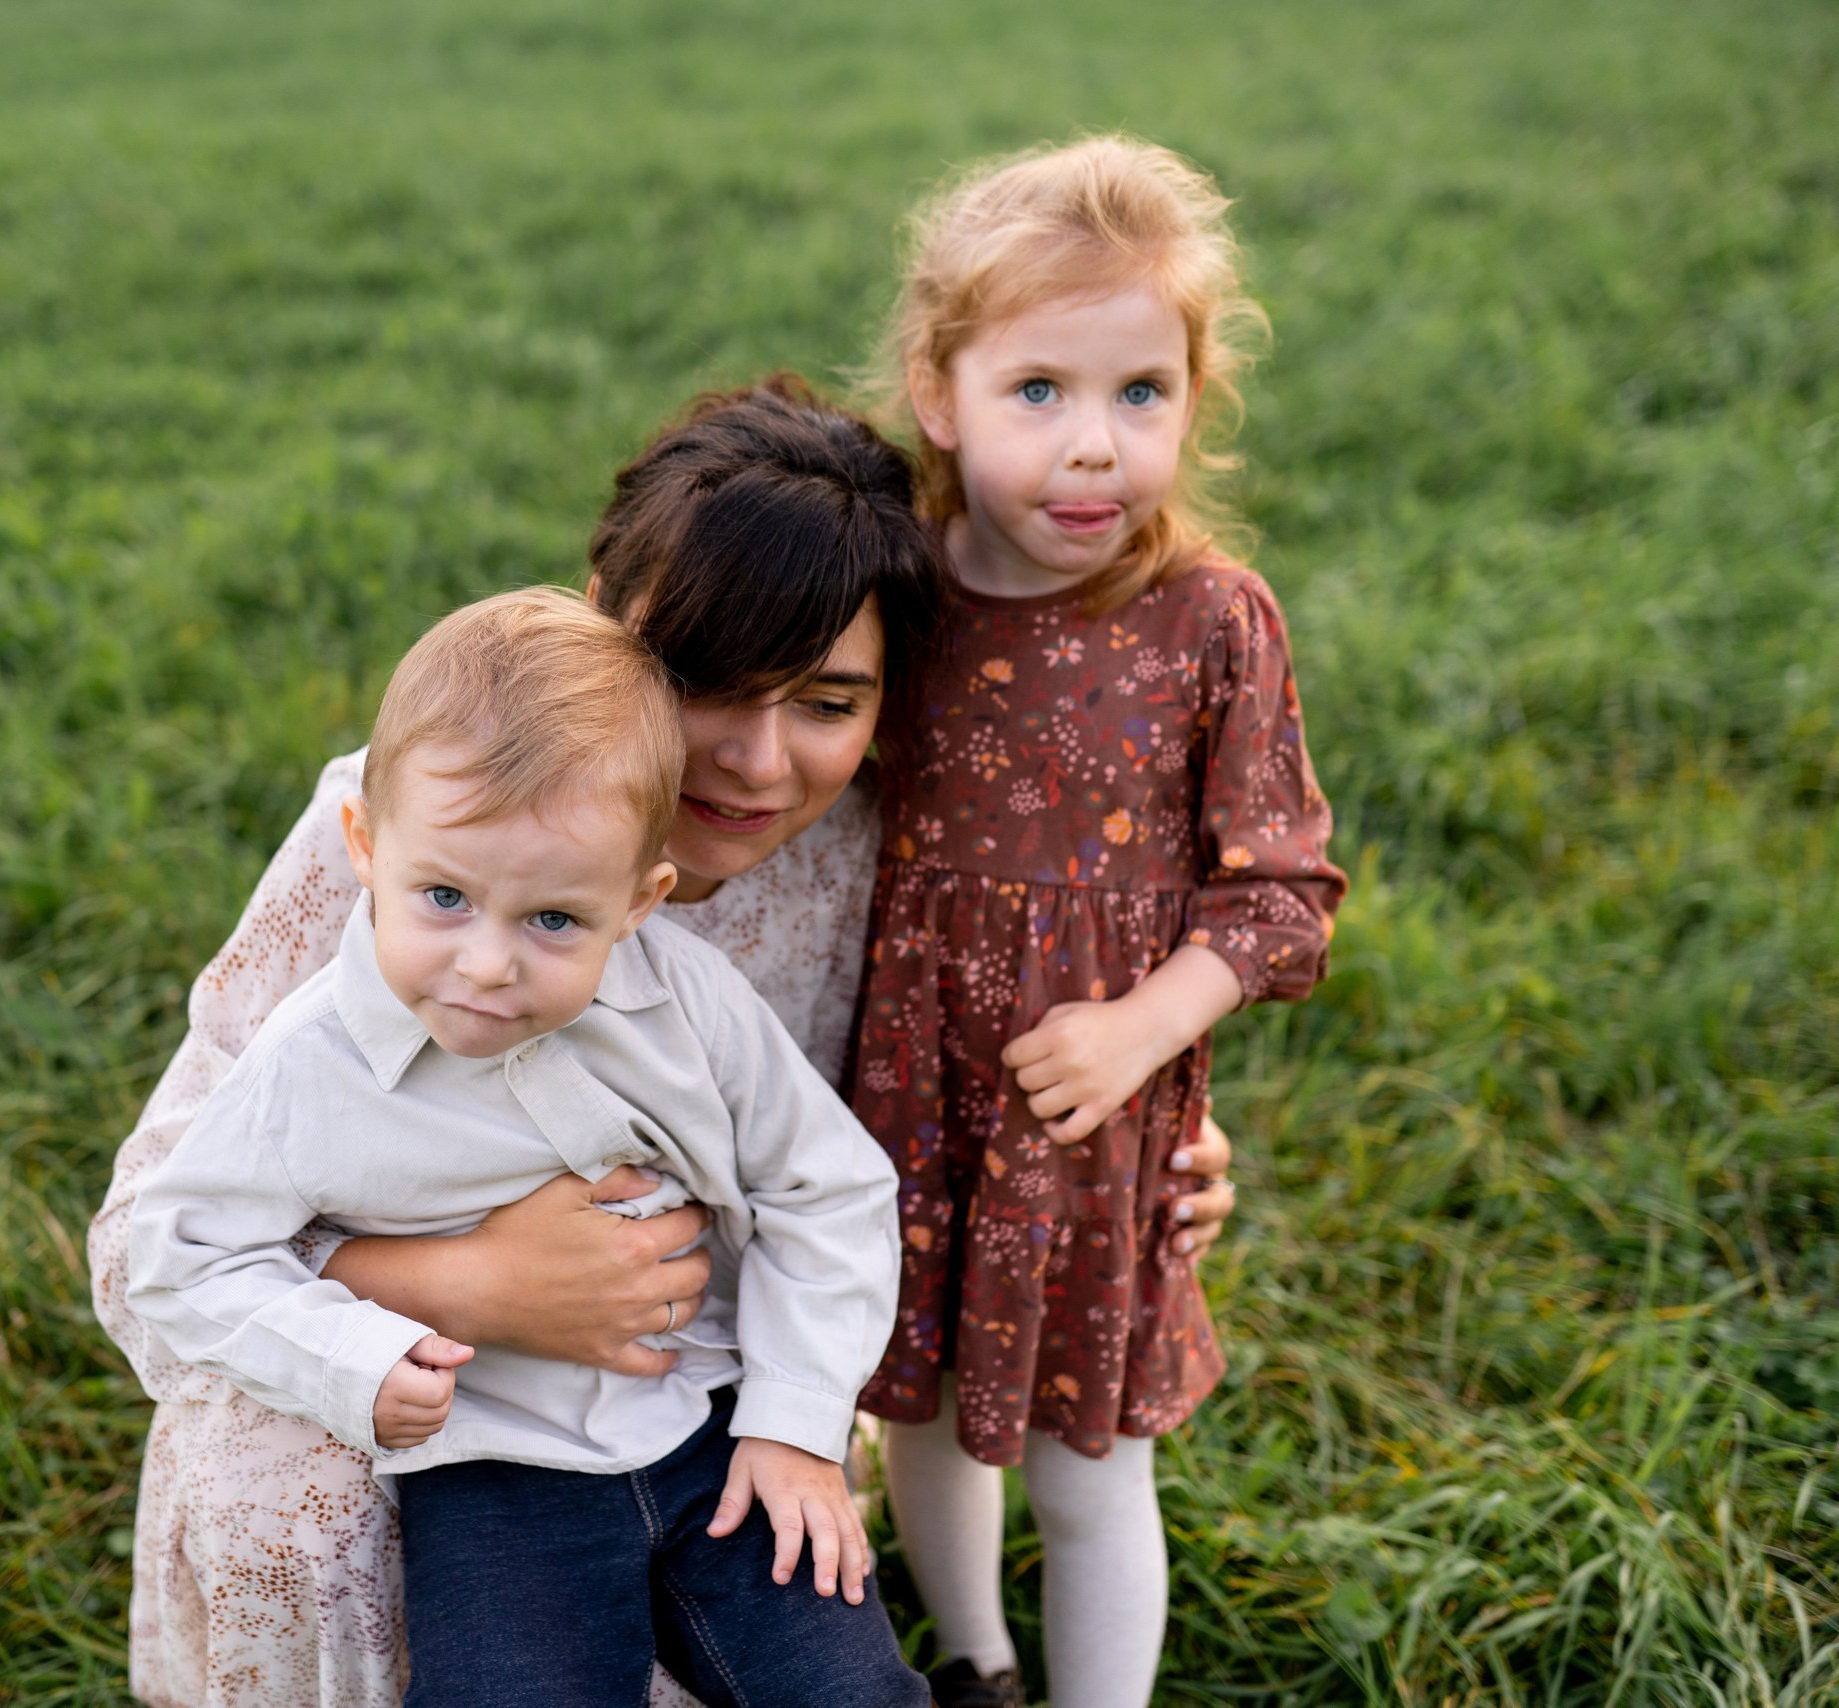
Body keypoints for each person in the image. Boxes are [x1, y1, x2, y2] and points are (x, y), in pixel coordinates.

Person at [87, 378, 1243, 1708]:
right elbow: (146, 1248)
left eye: (826, 701)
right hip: (429, 1397)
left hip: (709, 1403)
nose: (755, 763)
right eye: (703, 681)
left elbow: (954, 1109)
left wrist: (1155, 1128)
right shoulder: (424, 834)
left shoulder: (889, 860)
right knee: (288, 1500)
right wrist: (461, 1283)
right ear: (603, 616)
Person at [118, 589, 928, 1707]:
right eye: (444, 896)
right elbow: (177, 1250)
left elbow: (826, 1185)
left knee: (851, 1691)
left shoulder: (688, 1006)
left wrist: (795, 1425)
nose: (489, 964)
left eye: (552, 919)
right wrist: (353, 1361)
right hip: (491, 1468)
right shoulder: (311, 1064)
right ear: (363, 843)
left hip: (712, 1427)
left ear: (640, 902)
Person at [850, 137, 1349, 1708]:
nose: (1094, 450)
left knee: (1088, 1456)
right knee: (923, 1416)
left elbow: (1280, 890)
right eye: (1039, 392)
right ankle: (980, 1665)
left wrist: (1145, 1030)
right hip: (914, 1104)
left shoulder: (1210, 618)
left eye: (1142, 392)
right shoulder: (896, 597)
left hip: (1098, 1121)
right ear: (943, 393)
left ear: (1196, 392)